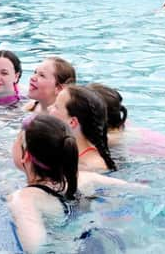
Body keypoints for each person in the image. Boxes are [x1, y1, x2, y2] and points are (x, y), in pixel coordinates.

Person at [8, 114, 130, 253]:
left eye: (16, 141)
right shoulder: (87, 179)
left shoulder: (23, 200)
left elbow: (37, 250)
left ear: (26, 155)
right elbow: (143, 190)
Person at [48, 85, 117, 172]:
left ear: (72, 122)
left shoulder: (92, 166)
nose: (49, 108)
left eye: (56, 106)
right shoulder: (63, 149)